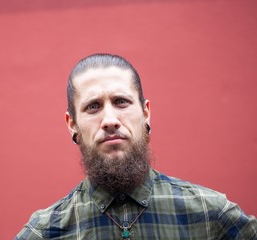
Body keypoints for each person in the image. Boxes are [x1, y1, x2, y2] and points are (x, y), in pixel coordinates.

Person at [14, 53, 257, 239]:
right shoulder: (45, 232)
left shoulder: (209, 213)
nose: (110, 120)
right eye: (93, 107)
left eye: (121, 102)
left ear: (145, 113)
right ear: (73, 124)